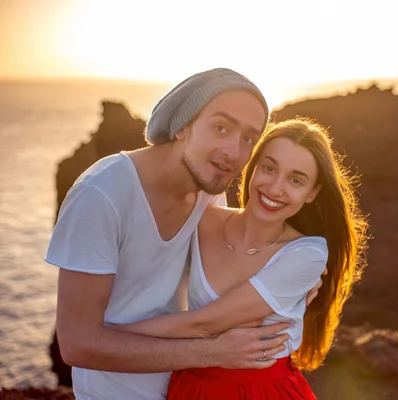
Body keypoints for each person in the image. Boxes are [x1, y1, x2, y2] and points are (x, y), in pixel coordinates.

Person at [45, 69, 324, 400]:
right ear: (182, 125)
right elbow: (77, 345)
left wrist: (292, 274)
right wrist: (212, 352)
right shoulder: (101, 195)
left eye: (248, 139)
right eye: (221, 128)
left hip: (189, 388)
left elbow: (228, 259)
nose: (234, 153)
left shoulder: (209, 189)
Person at [110, 118, 369, 399]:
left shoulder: (307, 254)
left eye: (296, 180)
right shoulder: (200, 217)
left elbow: (203, 324)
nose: (275, 188)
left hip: (265, 391)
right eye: (269, 168)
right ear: (253, 168)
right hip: (191, 386)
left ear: (312, 193)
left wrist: (109, 339)